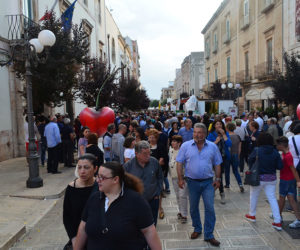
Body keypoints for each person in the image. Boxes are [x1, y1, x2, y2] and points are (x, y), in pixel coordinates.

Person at [74, 161, 162, 250]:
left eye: (102, 178)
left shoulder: (136, 201)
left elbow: (149, 231)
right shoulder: (94, 199)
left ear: (115, 179)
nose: (97, 180)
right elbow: (82, 228)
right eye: (98, 176)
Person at [176, 123, 222, 246]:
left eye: (200, 132)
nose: (197, 135)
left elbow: (217, 163)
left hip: (208, 182)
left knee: (210, 208)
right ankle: (197, 228)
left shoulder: (212, 147)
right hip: (192, 182)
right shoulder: (186, 146)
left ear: (205, 134)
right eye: (195, 132)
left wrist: (218, 179)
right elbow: (179, 162)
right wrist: (180, 178)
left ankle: (209, 234)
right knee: (193, 207)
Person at [245, 132, 283, 231]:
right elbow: (280, 166)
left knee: (253, 196)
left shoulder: (257, 150)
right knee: (272, 199)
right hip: (271, 178)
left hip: (258, 177)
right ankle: (277, 221)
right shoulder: (275, 152)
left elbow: (250, 160)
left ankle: (252, 214)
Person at [63, 154, 99, 249]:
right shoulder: (71, 188)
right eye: (79, 167)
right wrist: (74, 239)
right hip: (78, 238)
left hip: (97, 237)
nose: (82, 171)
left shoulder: (100, 187)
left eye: (86, 168)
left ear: (95, 169)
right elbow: (67, 217)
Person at [123, 141, 163, 226]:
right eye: (145, 154)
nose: (148, 156)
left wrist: (157, 193)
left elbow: (160, 177)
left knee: (152, 224)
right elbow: (123, 183)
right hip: (135, 203)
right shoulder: (128, 166)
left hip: (153, 200)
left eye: (149, 153)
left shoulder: (154, 162)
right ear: (136, 153)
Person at [276, 136, 300, 228]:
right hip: (288, 180)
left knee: (282, 198)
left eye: (278, 145)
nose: (277, 146)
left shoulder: (287, 156)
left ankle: (278, 216)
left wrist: (298, 181)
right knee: (291, 199)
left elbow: (293, 169)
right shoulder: (287, 154)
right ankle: (296, 218)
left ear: (281, 145)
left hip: (285, 180)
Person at [207, 120, 232, 204]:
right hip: (214, 158)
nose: (219, 125)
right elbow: (208, 147)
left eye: (220, 124)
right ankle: (217, 191)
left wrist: (224, 135)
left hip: (224, 157)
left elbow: (229, 144)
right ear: (214, 126)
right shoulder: (211, 135)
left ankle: (218, 191)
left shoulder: (225, 133)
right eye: (217, 124)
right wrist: (216, 141)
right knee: (215, 175)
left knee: (219, 176)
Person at [169, 135, 188, 224]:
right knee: (177, 195)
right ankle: (180, 211)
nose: (172, 143)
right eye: (172, 141)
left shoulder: (182, 152)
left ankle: (184, 214)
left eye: (174, 141)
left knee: (182, 195)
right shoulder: (171, 151)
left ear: (179, 143)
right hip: (173, 176)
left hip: (182, 177)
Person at [226, 122, 244, 192]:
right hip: (235, 154)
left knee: (227, 170)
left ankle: (227, 184)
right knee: (235, 171)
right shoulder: (238, 136)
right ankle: (240, 184)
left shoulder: (226, 137)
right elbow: (240, 148)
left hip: (228, 155)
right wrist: (238, 156)